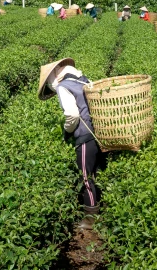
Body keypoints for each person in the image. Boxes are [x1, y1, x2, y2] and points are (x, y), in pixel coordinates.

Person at [39, 58, 104, 229]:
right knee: (94, 173)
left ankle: (91, 219)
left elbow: (72, 115)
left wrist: (67, 132)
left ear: (54, 75)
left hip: (84, 136)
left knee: (86, 177)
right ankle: (100, 207)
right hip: (98, 133)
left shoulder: (63, 86)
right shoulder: (84, 80)